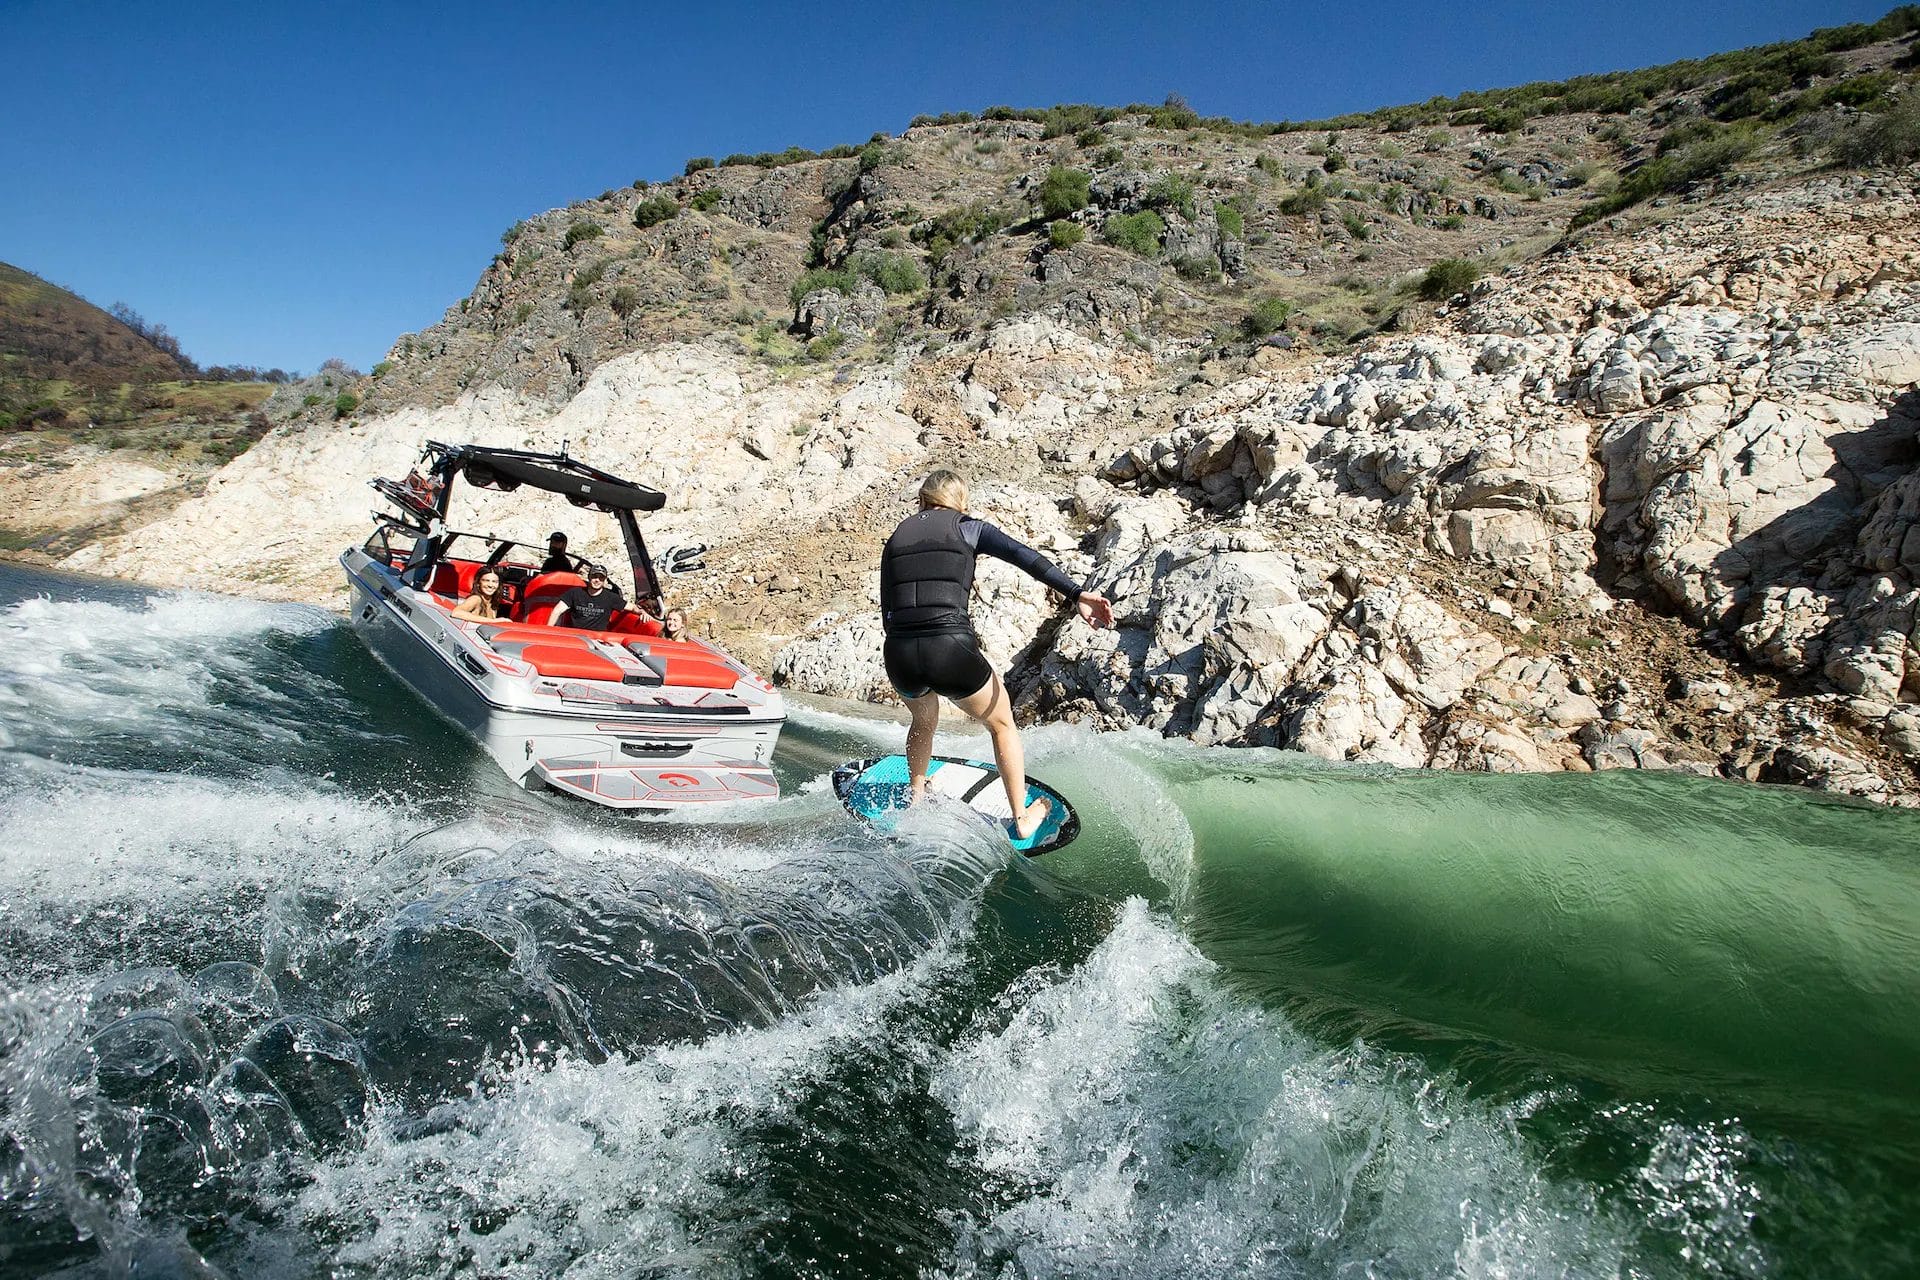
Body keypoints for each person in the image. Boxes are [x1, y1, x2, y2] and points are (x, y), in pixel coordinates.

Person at [880, 469, 1113, 839]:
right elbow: (1025, 557)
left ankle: (916, 800)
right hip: (949, 648)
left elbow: (888, 609)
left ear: (922, 500)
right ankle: (1021, 818)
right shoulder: (968, 527)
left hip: (901, 655)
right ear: (959, 501)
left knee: (924, 720)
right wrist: (1076, 594)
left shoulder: (895, 540)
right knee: (1001, 723)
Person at [549, 563, 625, 630]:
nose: (597, 580)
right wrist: (548, 630)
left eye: (601, 578)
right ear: (589, 577)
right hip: (576, 635)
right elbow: (557, 610)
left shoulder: (611, 597)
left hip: (597, 639)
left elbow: (632, 607)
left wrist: (637, 610)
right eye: (594, 576)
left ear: (605, 580)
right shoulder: (575, 592)